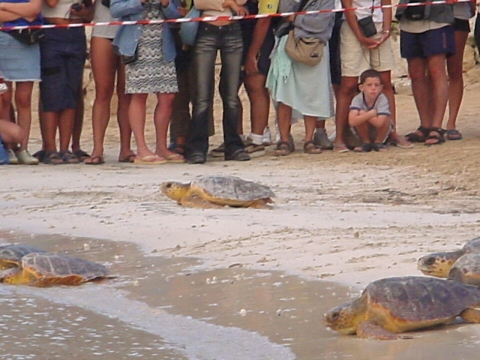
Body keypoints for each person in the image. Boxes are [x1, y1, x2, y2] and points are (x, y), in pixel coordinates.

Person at [111, 0, 182, 165]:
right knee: (139, 94)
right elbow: (115, 10)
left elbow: (176, 15)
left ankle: (161, 147)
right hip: (137, 44)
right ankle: (142, 149)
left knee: (168, 95)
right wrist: (140, 2)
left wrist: (166, 4)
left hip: (163, 44)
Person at [334, 0, 408, 153]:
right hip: (353, 26)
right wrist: (360, 37)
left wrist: (387, 31)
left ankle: (392, 132)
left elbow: (386, 3)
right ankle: (340, 138)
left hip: (379, 25)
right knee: (348, 85)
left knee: (385, 82)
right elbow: (348, 7)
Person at [185, 0, 250, 164]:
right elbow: (200, 3)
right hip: (207, 29)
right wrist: (229, 3)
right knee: (202, 97)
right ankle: (197, 148)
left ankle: (233, 146)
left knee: (231, 96)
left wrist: (222, 3)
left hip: (232, 30)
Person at [267, 0, 334, 156]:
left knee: (312, 92)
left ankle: (309, 139)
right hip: (288, 42)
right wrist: (301, 18)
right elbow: (285, 12)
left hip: (316, 45)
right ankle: (284, 139)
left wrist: (296, 19)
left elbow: (320, 22)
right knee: (284, 94)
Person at [38, 0, 92, 164]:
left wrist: (83, 11)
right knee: (51, 90)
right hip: (52, 32)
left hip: (76, 32)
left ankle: (64, 147)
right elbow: (52, 3)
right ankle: (50, 148)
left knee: (71, 91)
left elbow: (89, 12)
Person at [397, 0, 454, 146]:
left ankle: (436, 126)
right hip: (409, 16)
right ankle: (425, 124)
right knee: (415, 73)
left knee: (436, 71)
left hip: (436, 18)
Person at [84, 0, 135, 164]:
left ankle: (126, 148)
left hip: (131, 28)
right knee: (103, 91)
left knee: (126, 92)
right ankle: (97, 148)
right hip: (103, 26)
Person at [0, 0, 43, 165]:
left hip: (27, 41)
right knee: (4, 98)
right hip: (3, 40)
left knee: (24, 99)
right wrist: (21, 13)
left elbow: (33, 11)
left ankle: (23, 148)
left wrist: (3, 6)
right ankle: (8, 147)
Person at [444, 0, 475, 141]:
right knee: (431, 71)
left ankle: (451, 123)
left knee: (454, 69)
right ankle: (431, 124)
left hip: (458, 14)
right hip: (431, 15)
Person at [348, 69, 391, 152]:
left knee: (386, 118)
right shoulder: (358, 99)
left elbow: (379, 123)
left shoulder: (382, 99)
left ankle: (379, 142)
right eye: (369, 85)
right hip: (363, 129)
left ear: (381, 87)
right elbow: (352, 121)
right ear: (361, 87)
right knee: (360, 115)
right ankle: (365, 142)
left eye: (376, 85)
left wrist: (364, 115)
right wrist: (370, 114)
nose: (373, 88)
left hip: (379, 129)